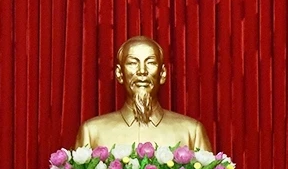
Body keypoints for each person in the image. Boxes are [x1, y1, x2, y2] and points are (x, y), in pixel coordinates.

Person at [75, 36, 212, 151]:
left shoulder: (191, 132)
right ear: (119, 73)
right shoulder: (92, 132)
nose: (142, 71)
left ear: (162, 73)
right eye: (132, 63)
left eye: (151, 63)